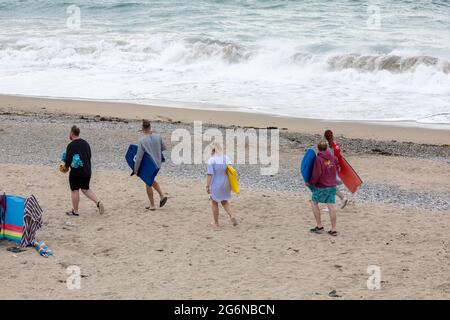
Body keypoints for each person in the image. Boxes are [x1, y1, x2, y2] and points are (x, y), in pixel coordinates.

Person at [64, 125, 104, 216]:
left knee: (75, 190)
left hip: (76, 172)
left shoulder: (71, 145)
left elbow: (68, 160)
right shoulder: (86, 143)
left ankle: (75, 211)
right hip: (87, 171)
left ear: (72, 133)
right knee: (86, 189)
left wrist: (65, 167)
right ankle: (98, 202)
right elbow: (89, 156)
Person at [307, 140, 340, 236]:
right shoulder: (333, 158)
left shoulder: (318, 159)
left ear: (318, 149)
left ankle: (319, 226)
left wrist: (310, 183)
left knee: (314, 203)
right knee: (331, 206)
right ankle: (333, 229)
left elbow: (317, 173)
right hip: (332, 185)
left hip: (322, 186)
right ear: (327, 148)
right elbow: (337, 168)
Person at [134, 120, 168, 211]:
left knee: (148, 182)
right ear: (150, 127)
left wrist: (135, 169)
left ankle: (153, 204)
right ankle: (161, 196)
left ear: (142, 128)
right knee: (150, 180)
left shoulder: (142, 140)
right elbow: (164, 148)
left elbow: (139, 157)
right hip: (158, 163)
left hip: (149, 165)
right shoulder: (158, 137)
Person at [206, 142, 238, 228]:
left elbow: (210, 174)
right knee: (224, 201)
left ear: (212, 150)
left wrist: (207, 186)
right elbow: (231, 170)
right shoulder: (226, 158)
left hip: (216, 183)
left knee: (214, 202)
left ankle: (216, 223)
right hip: (225, 182)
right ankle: (232, 215)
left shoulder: (211, 160)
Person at [324, 129, 348, 209]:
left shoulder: (326, 146)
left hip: (329, 167)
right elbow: (338, 156)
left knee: (329, 186)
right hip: (335, 167)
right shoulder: (335, 144)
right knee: (331, 186)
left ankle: (334, 203)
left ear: (325, 137)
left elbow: (327, 158)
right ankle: (342, 198)